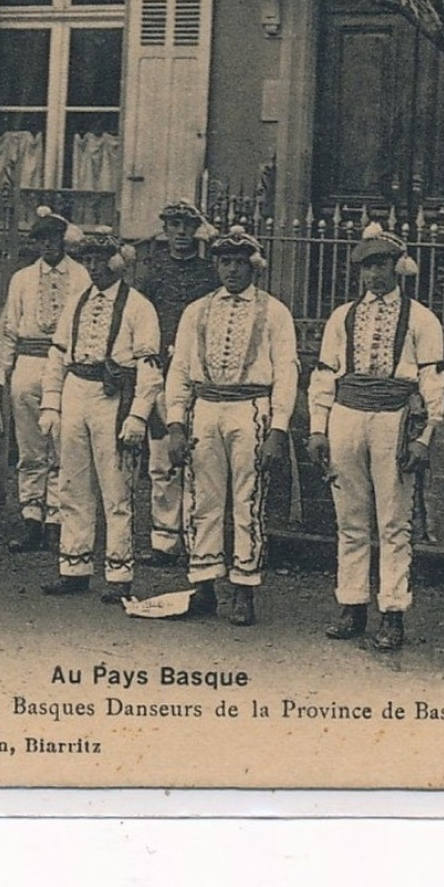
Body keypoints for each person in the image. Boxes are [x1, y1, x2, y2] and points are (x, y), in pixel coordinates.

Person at [306, 223, 444, 651]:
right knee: (350, 520)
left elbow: (433, 380)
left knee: (393, 521)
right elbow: (325, 374)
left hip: (394, 419)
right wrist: (317, 428)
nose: (374, 275)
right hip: (347, 416)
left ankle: (393, 612)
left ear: (398, 267)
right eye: (366, 266)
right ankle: (351, 604)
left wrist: (425, 436)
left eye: (381, 264)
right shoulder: (343, 316)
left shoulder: (421, 318)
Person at [163, 226, 298, 626]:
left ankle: (244, 589)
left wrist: (278, 428)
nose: (233, 271)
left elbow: (287, 373)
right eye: (225, 262)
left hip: (250, 410)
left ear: (253, 266)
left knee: (248, 501)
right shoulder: (197, 310)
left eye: (240, 263)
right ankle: (203, 584)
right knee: (201, 499)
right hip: (205, 408)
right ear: (216, 265)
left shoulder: (275, 311)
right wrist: (175, 424)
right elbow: (180, 369)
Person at [38, 227, 162, 604]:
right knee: (72, 483)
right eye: (87, 260)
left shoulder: (139, 307)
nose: (93, 268)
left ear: (117, 262)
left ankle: (119, 573)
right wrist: (50, 403)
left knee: (116, 487)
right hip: (77, 390)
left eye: (99, 260)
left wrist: (138, 415)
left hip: (114, 398)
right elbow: (58, 356)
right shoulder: (76, 302)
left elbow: (149, 367)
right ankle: (74, 567)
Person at [0, 205, 90, 555]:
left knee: (63, 445)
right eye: (41, 240)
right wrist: (3, 373)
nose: (47, 246)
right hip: (27, 364)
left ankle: (57, 520)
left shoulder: (81, 276)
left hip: (64, 365)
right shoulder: (21, 278)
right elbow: (8, 328)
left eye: (53, 239)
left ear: (63, 241)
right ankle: (31, 517)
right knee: (31, 447)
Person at [134, 198, 219, 567]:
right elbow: (138, 320)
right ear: (165, 229)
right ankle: (165, 540)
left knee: (200, 457)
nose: (181, 233)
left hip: (201, 374)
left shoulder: (210, 274)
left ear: (196, 230)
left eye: (187, 226)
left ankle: (198, 538)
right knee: (162, 458)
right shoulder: (150, 273)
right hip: (161, 370)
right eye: (174, 226)